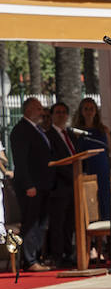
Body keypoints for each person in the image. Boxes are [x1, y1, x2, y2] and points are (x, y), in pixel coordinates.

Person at [9, 98, 55, 271]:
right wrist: (29, 184)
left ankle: (36, 256)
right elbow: (21, 161)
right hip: (31, 186)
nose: (42, 112)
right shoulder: (21, 130)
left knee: (41, 223)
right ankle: (29, 260)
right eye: (38, 108)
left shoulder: (37, 129)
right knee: (31, 222)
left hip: (43, 184)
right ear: (28, 110)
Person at [45, 101, 79, 268]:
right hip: (59, 186)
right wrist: (72, 174)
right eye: (57, 112)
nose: (61, 115)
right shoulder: (48, 135)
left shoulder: (70, 134)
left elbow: (77, 156)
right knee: (58, 223)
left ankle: (68, 253)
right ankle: (57, 256)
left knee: (70, 224)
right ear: (52, 116)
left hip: (74, 186)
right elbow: (55, 161)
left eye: (64, 112)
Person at [74, 98, 111, 221]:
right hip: (88, 169)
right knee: (90, 203)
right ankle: (91, 237)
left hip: (103, 169)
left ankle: (104, 236)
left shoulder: (103, 130)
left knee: (104, 200)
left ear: (96, 111)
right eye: (86, 109)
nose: (89, 112)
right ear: (81, 111)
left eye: (91, 109)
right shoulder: (77, 131)